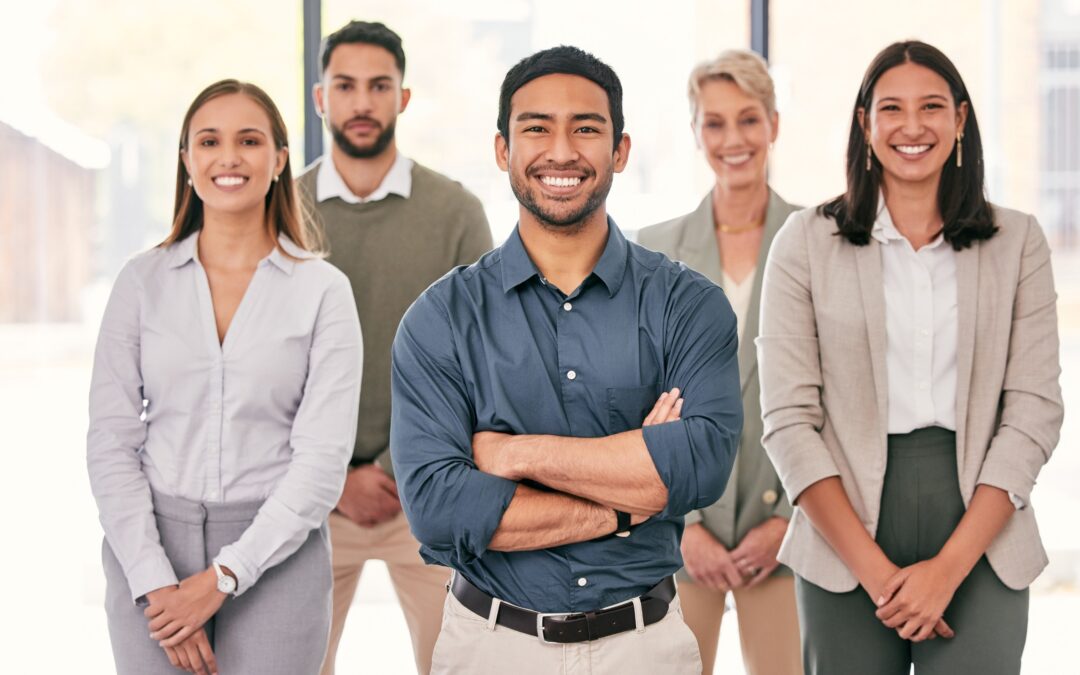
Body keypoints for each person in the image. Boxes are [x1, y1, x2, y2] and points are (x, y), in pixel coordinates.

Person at [390, 45, 743, 675]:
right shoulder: (439, 320)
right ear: (503, 151)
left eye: (586, 128)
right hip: (490, 648)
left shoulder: (689, 306)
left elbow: (701, 464)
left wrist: (514, 455)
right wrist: (631, 497)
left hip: (646, 648)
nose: (561, 151)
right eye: (536, 128)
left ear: (620, 151)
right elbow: (441, 508)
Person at [757, 41, 1063, 675]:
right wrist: (876, 574)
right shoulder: (805, 243)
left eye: (931, 107)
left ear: (960, 119)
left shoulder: (1019, 243)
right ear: (866, 125)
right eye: (891, 109)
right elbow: (788, 419)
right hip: (843, 529)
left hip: (982, 524)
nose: (913, 126)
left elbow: (1032, 412)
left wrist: (947, 571)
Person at [87, 79, 362, 675]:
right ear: (187, 160)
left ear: (279, 159)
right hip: (150, 547)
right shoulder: (141, 283)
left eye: (249, 140)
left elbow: (321, 461)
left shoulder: (324, 293)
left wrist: (224, 577)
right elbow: (111, 440)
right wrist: (157, 584)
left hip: (277, 552)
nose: (228, 157)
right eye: (209, 141)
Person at [296, 20, 493, 675]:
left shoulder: (456, 211)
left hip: (427, 494)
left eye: (379, 86)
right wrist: (334, 482)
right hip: (306, 500)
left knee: (461, 663)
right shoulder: (281, 210)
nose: (362, 102)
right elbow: (258, 369)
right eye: (345, 86)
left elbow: (482, 360)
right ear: (320, 97)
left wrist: (401, 467)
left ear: (402, 98)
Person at [637, 49, 801, 675]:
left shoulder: (821, 239)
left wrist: (791, 519)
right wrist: (684, 524)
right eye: (715, 123)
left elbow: (840, 399)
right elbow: (637, 399)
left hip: (786, 536)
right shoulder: (653, 253)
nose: (733, 140)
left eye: (749, 120)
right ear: (695, 133)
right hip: (681, 535)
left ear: (774, 125)